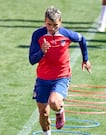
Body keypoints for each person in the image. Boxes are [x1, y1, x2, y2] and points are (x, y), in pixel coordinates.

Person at [29, 6, 91, 135]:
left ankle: (59, 111)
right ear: (44, 21)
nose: (52, 28)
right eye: (49, 24)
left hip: (61, 77)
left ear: (60, 22)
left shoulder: (66, 34)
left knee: (53, 102)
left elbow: (82, 39)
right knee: (43, 113)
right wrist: (42, 51)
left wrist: (85, 59)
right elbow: (32, 60)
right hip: (42, 78)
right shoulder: (38, 35)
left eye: (55, 25)